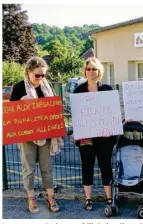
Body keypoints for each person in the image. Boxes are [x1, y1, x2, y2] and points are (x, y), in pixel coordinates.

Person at [10, 56, 63, 214]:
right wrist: (23, 104)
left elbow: (54, 110)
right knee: (29, 169)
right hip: (27, 136)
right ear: (28, 72)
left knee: (47, 169)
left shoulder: (47, 87)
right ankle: (31, 198)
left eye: (44, 75)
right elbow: (12, 114)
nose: (41, 78)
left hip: (46, 135)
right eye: (37, 75)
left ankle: (50, 197)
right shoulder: (19, 87)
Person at [73, 57, 117, 211]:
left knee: (106, 166)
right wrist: (77, 131)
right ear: (85, 71)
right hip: (86, 137)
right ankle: (88, 199)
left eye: (94, 69)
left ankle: (109, 198)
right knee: (87, 166)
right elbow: (77, 115)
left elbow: (112, 113)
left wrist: (111, 129)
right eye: (89, 69)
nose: (91, 71)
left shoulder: (107, 89)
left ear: (99, 71)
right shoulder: (78, 90)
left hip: (105, 137)